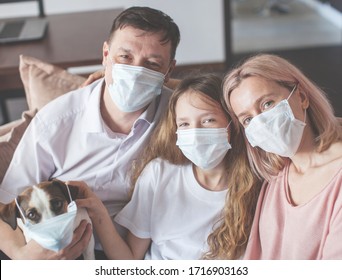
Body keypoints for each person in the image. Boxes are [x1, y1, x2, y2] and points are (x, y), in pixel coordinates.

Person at [0, 6, 180, 259]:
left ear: (169, 71)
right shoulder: (55, 120)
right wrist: (21, 256)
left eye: (151, 64)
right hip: (53, 242)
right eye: (125, 57)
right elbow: (6, 201)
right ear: (106, 54)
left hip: (127, 250)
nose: (136, 73)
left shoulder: (181, 117)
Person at [73, 73, 262, 260]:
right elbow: (129, 260)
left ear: (233, 123)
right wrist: (99, 213)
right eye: (185, 124)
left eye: (208, 120)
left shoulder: (256, 182)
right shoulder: (159, 174)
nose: (195, 133)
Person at [223, 53, 342, 259]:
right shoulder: (276, 176)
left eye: (267, 104)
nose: (261, 122)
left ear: (302, 97)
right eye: (248, 119)